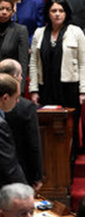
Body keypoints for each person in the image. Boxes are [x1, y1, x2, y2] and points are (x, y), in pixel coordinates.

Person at [29, 0, 85, 151]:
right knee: (48, 127)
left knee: (69, 127)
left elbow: (84, 63)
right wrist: (34, 89)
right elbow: (34, 63)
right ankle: (51, 163)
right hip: (46, 87)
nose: (57, 14)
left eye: (61, 11)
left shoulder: (76, 32)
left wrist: (84, 90)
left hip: (69, 88)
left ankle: (70, 161)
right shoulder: (39, 33)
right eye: (53, 11)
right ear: (48, 13)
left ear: (66, 13)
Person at [0, 60, 42, 189]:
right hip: (15, 176)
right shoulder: (26, 107)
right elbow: (33, 144)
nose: (17, 101)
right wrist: (36, 176)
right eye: (21, 74)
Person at [0, 75, 25, 186]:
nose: (18, 101)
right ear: (5, 98)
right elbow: (9, 166)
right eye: (16, 97)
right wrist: (26, 193)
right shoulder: (1, 125)